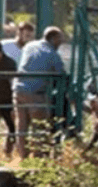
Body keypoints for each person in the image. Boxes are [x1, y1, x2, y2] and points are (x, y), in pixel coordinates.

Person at [12, 26, 66, 159]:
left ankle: (23, 157)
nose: (60, 43)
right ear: (53, 39)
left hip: (18, 89)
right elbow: (61, 74)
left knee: (22, 125)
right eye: (60, 40)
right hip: (35, 93)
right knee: (39, 127)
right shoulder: (52, 54)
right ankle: (38, 159)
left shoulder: (30, 46)